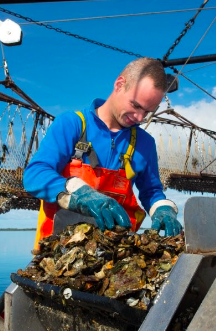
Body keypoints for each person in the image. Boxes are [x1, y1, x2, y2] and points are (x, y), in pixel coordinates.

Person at [24, 57, 182, 247]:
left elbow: (151, 191)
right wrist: (78, 194)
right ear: (119, 84)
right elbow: (35, 175)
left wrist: (162, 209)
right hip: (58, 250)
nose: (140, 117)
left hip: (113, 254)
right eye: (136, 105)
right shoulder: (72, 124)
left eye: (148, 112)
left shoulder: (144, 143)